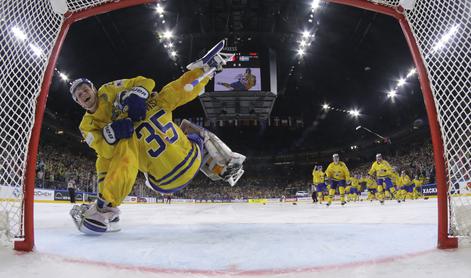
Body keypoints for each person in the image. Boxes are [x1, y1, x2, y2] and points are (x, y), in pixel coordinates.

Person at [69, 42, 246, 234]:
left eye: (85, 89)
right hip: (192, 161)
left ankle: (105, 208)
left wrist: (111, 135)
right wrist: (204, 73)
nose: (83, 94)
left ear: (93, 89)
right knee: (187, 127)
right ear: (78, 102)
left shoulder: (119, 134)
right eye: (79, 95)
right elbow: (178, 89)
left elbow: (111, 155)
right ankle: (224, 164)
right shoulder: (155, 101)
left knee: (114, 157)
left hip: (162, 184)